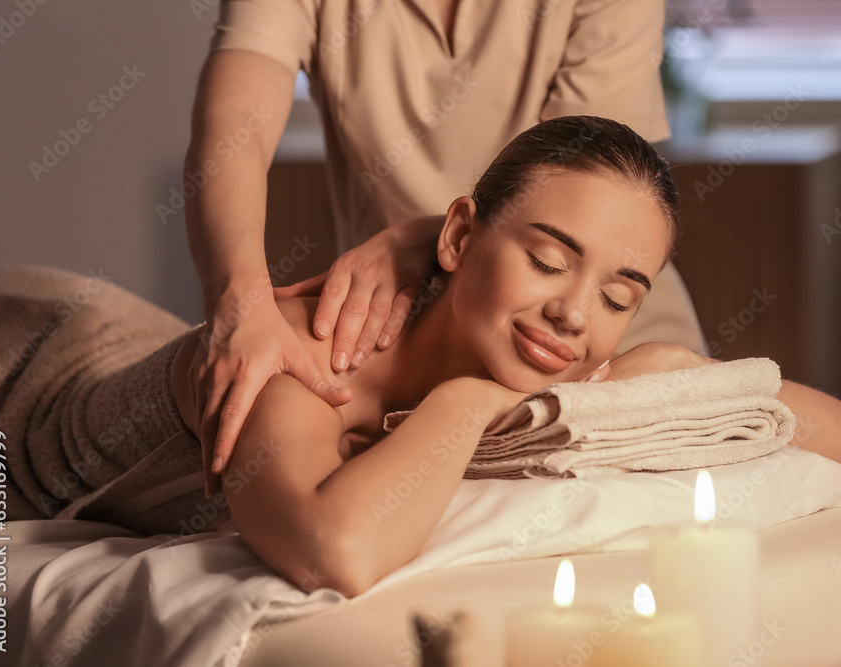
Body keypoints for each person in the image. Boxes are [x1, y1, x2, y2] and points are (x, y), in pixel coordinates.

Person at [167, 116, 841, 596]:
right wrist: (465, 401)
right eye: (548, 259)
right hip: (66, 382)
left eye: (618, 297)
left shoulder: (581, 363)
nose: (574, 315)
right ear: (456, 238)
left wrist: (684, 373)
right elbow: (336, 553)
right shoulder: (311, 354)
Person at [184, 0, 709, 500]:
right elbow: (234, 129)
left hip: (610, 343)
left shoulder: (586, 309)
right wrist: (241, 298)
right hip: (420, 326)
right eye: (545, 260)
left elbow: (592, 181)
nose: (570, 313)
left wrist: (424, 235)